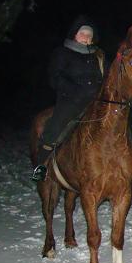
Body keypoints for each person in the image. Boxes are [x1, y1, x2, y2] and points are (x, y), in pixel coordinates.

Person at [31, 15, 106, 181]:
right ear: (75, 34)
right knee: (57, 123)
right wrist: (75, 90)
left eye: (89, 35)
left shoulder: (98, 56)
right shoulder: (63, 53)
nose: (86, 37)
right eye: (83, 33)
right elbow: (55, 77)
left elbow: (105, 77)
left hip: (95, 101)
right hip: (72, 99)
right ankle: (41, 164)